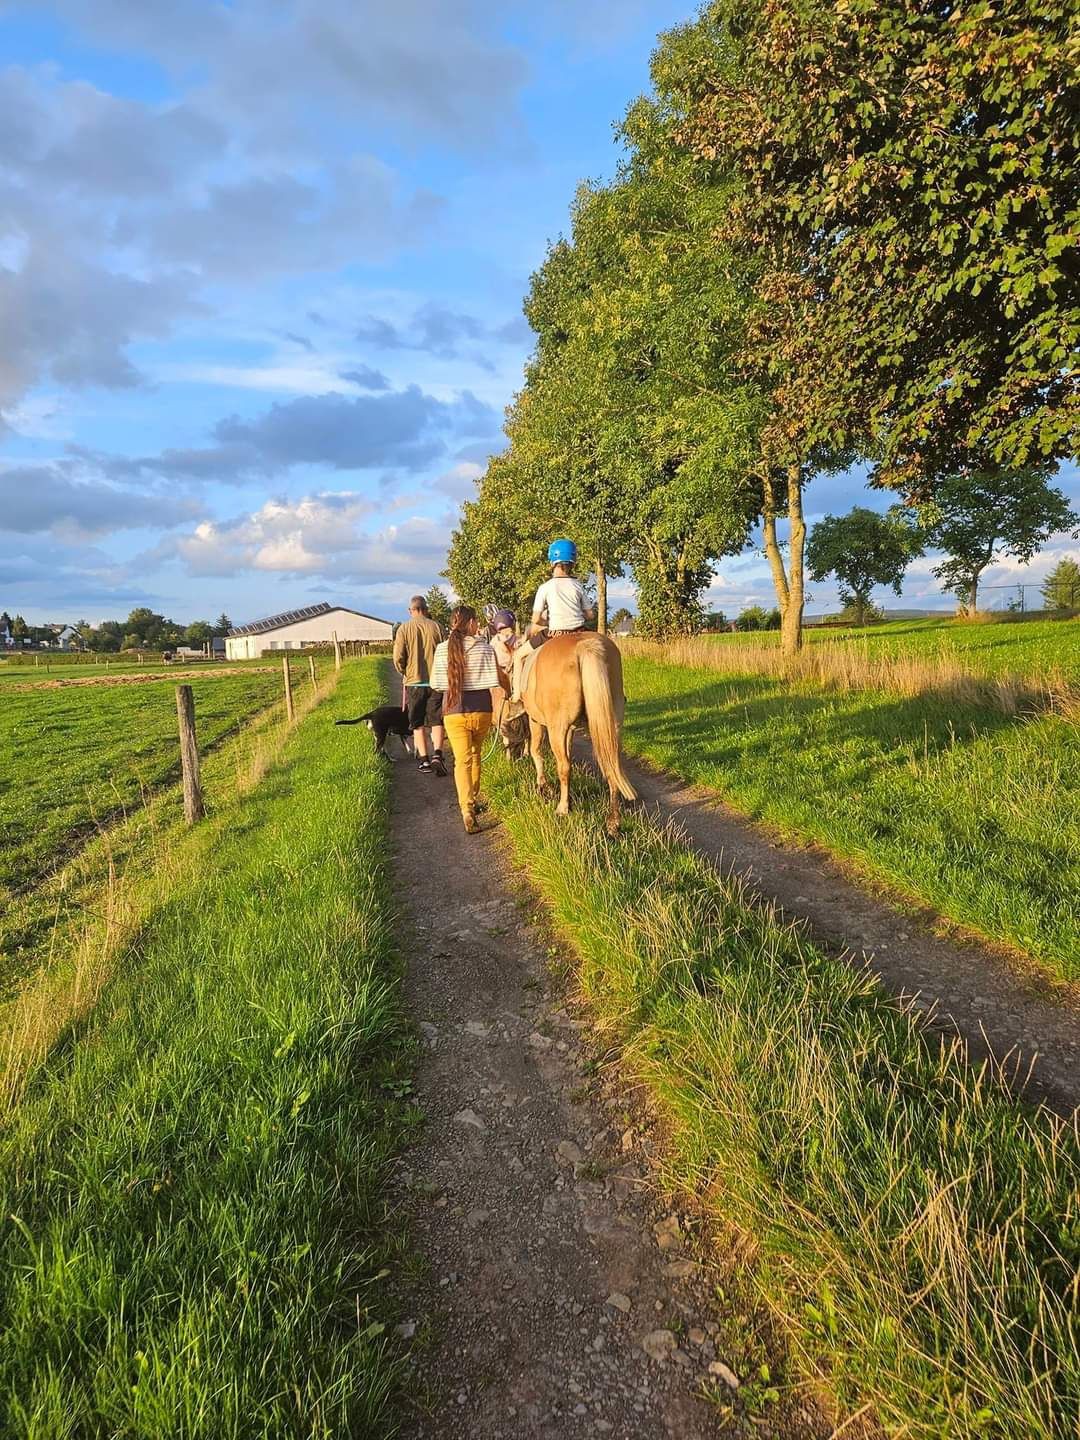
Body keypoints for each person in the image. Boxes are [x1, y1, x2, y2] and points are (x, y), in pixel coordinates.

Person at [431, 605, 505, 833]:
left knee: (462, 761)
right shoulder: (485, 649)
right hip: (482, 710)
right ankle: (473, 796)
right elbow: (497, 679)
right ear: (471, 623)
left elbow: (435, 684)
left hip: (454, 712)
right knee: (476, 754)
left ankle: (467, 809)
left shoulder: (443, 650)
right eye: (476, 622)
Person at [511, 539, 594, 702]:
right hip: (580, 631)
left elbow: (535, 618)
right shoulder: (578, 586)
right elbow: (590, 615)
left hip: (554, 633)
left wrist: (546, 622)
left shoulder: (545, 587)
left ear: (551, 562)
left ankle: (517, 696)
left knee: (518, 656)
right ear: (572, 562)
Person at [392, 594, 446, 776]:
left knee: (417, 723)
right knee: (436, 720)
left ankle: (424, 761)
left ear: (411, 610)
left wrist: (404, 672)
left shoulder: (403, 629)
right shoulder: (438, 627)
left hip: (414, 682)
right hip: (436, 681)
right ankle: (438, 754)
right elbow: (446, 652)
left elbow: (398, 657)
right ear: (427, 609)